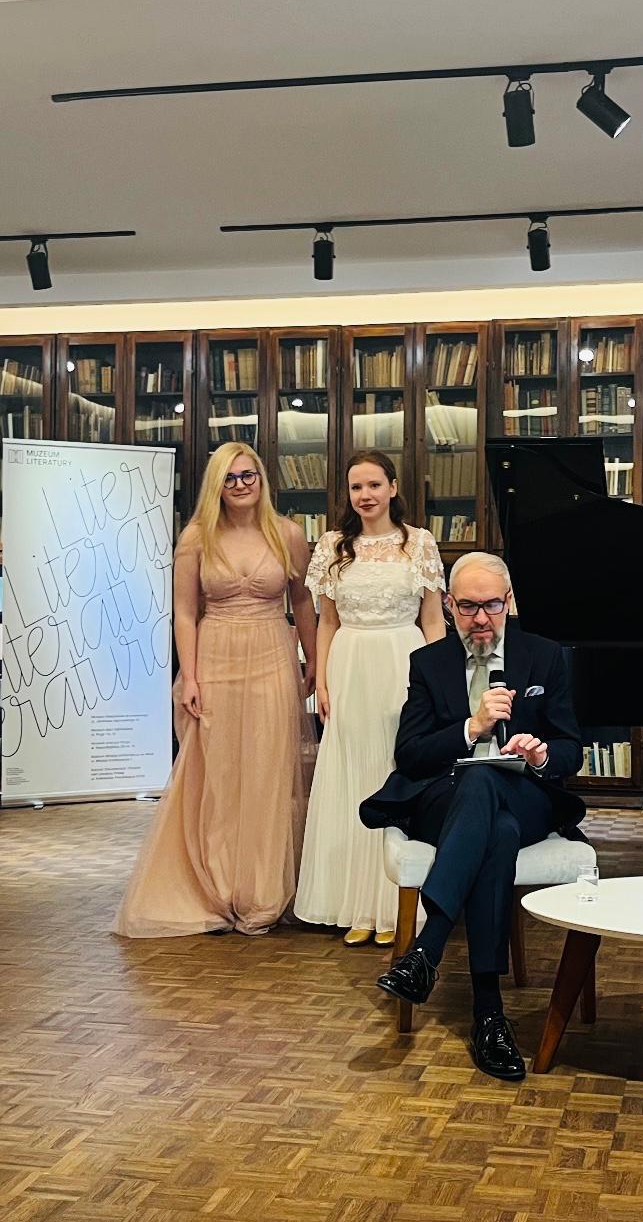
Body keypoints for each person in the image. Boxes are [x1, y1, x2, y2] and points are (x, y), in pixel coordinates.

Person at [358, 551, 585, 1081]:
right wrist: (470, 728)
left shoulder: (544, 656)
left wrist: (540, 755)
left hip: (525, 793)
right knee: (495, 826)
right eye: (467, 607)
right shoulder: (428, 662)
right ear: (448, 605)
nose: (480, 619)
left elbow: (571, 747)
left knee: (495, 798)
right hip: (448, 796)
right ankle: (488, 1014)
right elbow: (410, 754)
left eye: (491, 606)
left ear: (509, 602)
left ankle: (426, 951)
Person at [114, 442, 317, 937]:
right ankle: (220, 888)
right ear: (217, 486)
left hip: (272, 656)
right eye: (230, 478)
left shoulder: (288, 534)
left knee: (269, 773)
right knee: (220, 777)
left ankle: (262, 893)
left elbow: (302, 601)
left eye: (248, 475)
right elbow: (185, 613)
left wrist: (314, 660)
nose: (241, 485)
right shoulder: (196, 537)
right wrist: (190, 676)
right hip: (216, 657)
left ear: (261, 479)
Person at [294, 451, 447, 945]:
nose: (365, 495)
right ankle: (355, 905)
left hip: (404, 660)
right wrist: (321, 681)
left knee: (396, 768)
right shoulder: (332, 546)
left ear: (393, 488)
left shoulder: (418, 543)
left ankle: (395, 903)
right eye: (356, 487)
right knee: (351, 774)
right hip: (350, 664)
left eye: (374, 485)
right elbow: (327, 622)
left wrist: (442, 682)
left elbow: (432, 621)